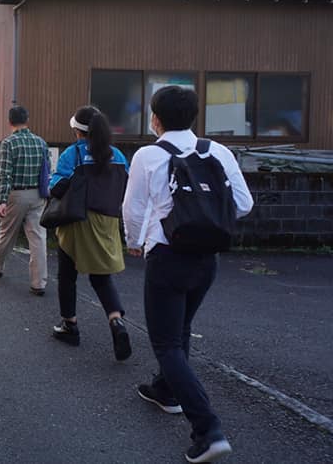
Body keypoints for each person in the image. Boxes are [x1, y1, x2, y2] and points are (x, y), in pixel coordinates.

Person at [123, 86, 253, 463]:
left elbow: (133, 209)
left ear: (155, 118)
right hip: (206, 259)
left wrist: (134, 240)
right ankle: (165, 391)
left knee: (166, 343)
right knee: (178, 331)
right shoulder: (218, 151)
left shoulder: (148, 155)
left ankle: (208, 429)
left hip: (167, 256)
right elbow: (243, 204)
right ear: (195, 117)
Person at [49, 106, 132, 361]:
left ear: (77, 130)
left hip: (77, 222)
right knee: (101, 277)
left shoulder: (72, 155)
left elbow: (55, 188)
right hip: (107, 222)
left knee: (67, 274)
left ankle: (70, 324)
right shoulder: (116, 155)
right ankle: (116, 321)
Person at [0, 105, 50, 296]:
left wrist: (2, 201)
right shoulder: (41, 142)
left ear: (9, 122)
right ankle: (39, 283)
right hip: (38, 195)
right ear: (27, 120)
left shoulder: (9, 143)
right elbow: (47, 170)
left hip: (17, 194)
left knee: (8, 233)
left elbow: (5, 174)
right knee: (38, 238)